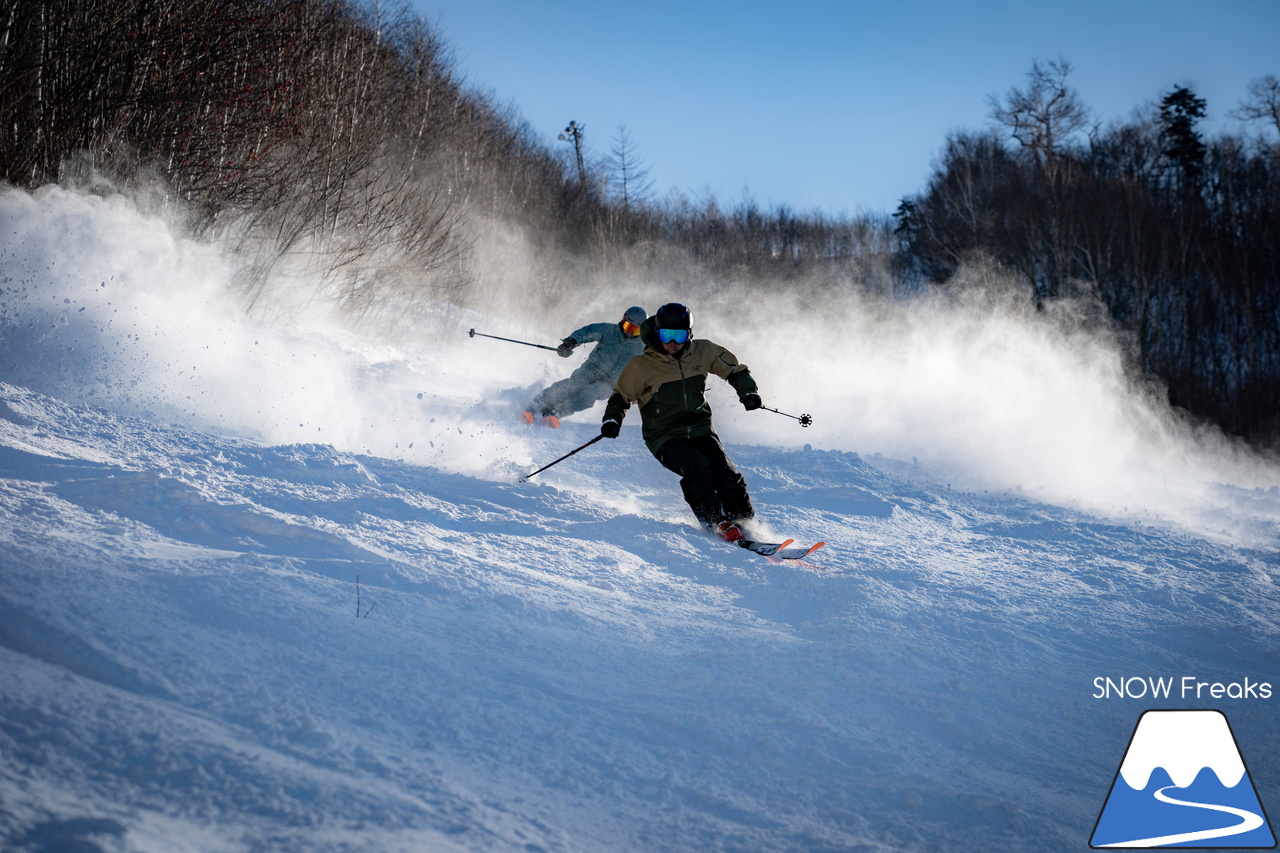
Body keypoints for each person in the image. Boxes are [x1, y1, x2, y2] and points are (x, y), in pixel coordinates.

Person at [599, 302, 763, 541]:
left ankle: (744, 520)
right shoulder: (640, 366)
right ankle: (716, 522)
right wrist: (612, 420)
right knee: (697, 467)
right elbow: (620, 397)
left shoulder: (703, 351)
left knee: (725, 472)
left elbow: (735, 370)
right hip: (664, 436)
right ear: (657, 332)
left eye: (679, 335)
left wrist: (748, 392)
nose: (672, 343)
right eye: (666, 335)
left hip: (700, 428)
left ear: (690, 334)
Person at [523, 306, 648, 428]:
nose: (629, 332)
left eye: (635, 330)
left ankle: (555, 413)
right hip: (591, 369)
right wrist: (571, 342)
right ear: (623, 320)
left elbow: (648, 368)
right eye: (628, 326)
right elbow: (588, 331)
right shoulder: (609, 330)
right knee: (574, 384)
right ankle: (535, 406)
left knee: (589, 394)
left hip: (610, 383)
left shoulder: (643, 347)